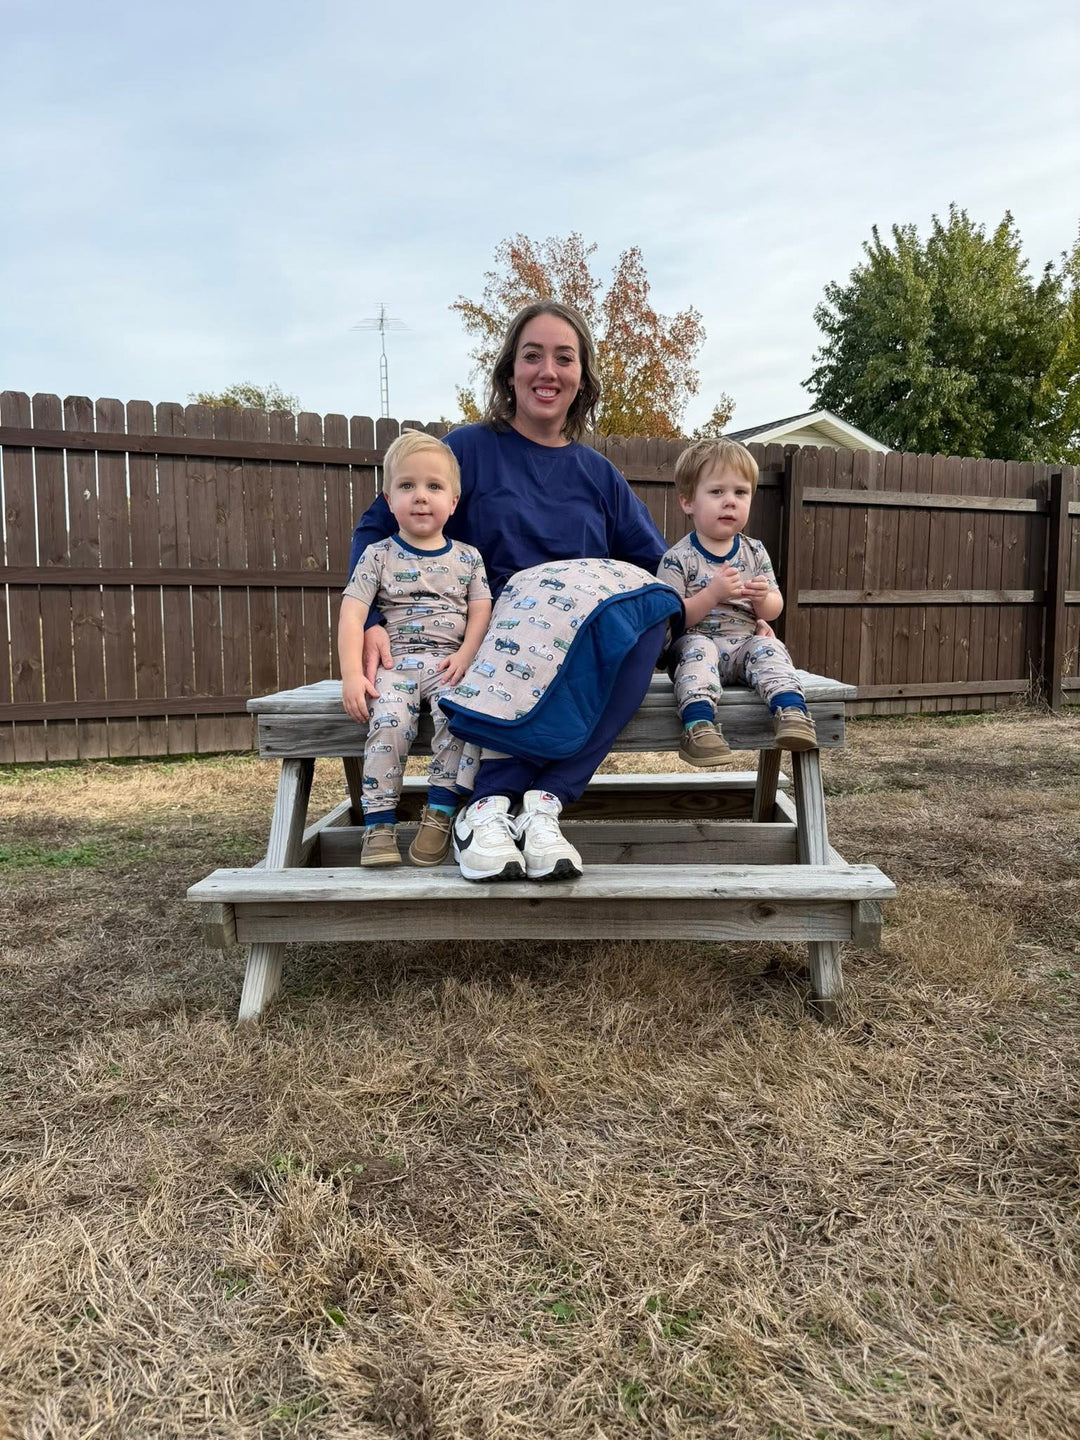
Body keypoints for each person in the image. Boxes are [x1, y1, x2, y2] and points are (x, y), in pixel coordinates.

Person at [348, 301, 678, 884]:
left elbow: (657, 566)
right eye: (532, 356)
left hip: (578, 645)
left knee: (651, 615)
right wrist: (372, 616)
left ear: (582, 378)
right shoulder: (467, 451)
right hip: (494, 642)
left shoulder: (599, 475)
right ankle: (486, 808)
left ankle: (543, 804)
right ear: (509, 372)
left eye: (564, 358)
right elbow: (378, 528)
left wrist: (731, 615)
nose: (547, 370)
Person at [338, 430, 491, 867]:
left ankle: (440, 811)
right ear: (388, 501)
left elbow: (481, 610)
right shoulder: (377, 556)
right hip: (395, 665)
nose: (421, 497)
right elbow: (352, 615)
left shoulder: (468, 558)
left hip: (449, 665)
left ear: (454, 501)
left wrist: (465, 654)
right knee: (388, 721)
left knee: (460, 720)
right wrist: (353, 673)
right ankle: (379, 825)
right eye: (407, 486)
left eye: (433, 486)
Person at [661, 437, 817, 765]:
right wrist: (711, 595)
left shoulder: (754, 551)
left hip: (744, 645)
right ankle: (699, 726)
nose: (729, 502)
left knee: (770, 647)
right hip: (696, 644)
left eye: (740, 493)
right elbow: (671, 620)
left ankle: (791, 712)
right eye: (717, 492)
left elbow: (774, 608)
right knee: (697, 649)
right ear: (688, 502)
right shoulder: (678, 558)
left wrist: (764, 601)